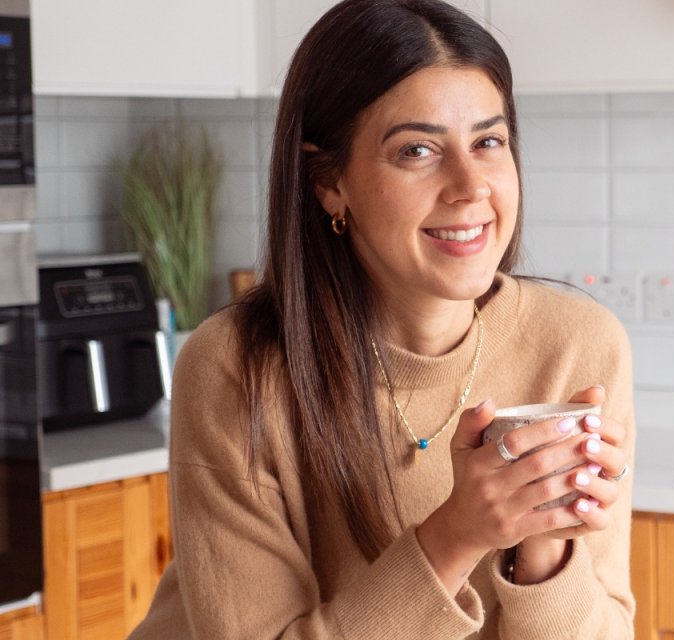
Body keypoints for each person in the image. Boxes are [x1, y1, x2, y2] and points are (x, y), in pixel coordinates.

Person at [128, 0, 636, 637]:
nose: (470, 186)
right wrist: (456, 536)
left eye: (489, 141)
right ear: (328, 182)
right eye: (417, 150)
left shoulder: (578, 345)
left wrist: (541, 543)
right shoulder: (236, 366)